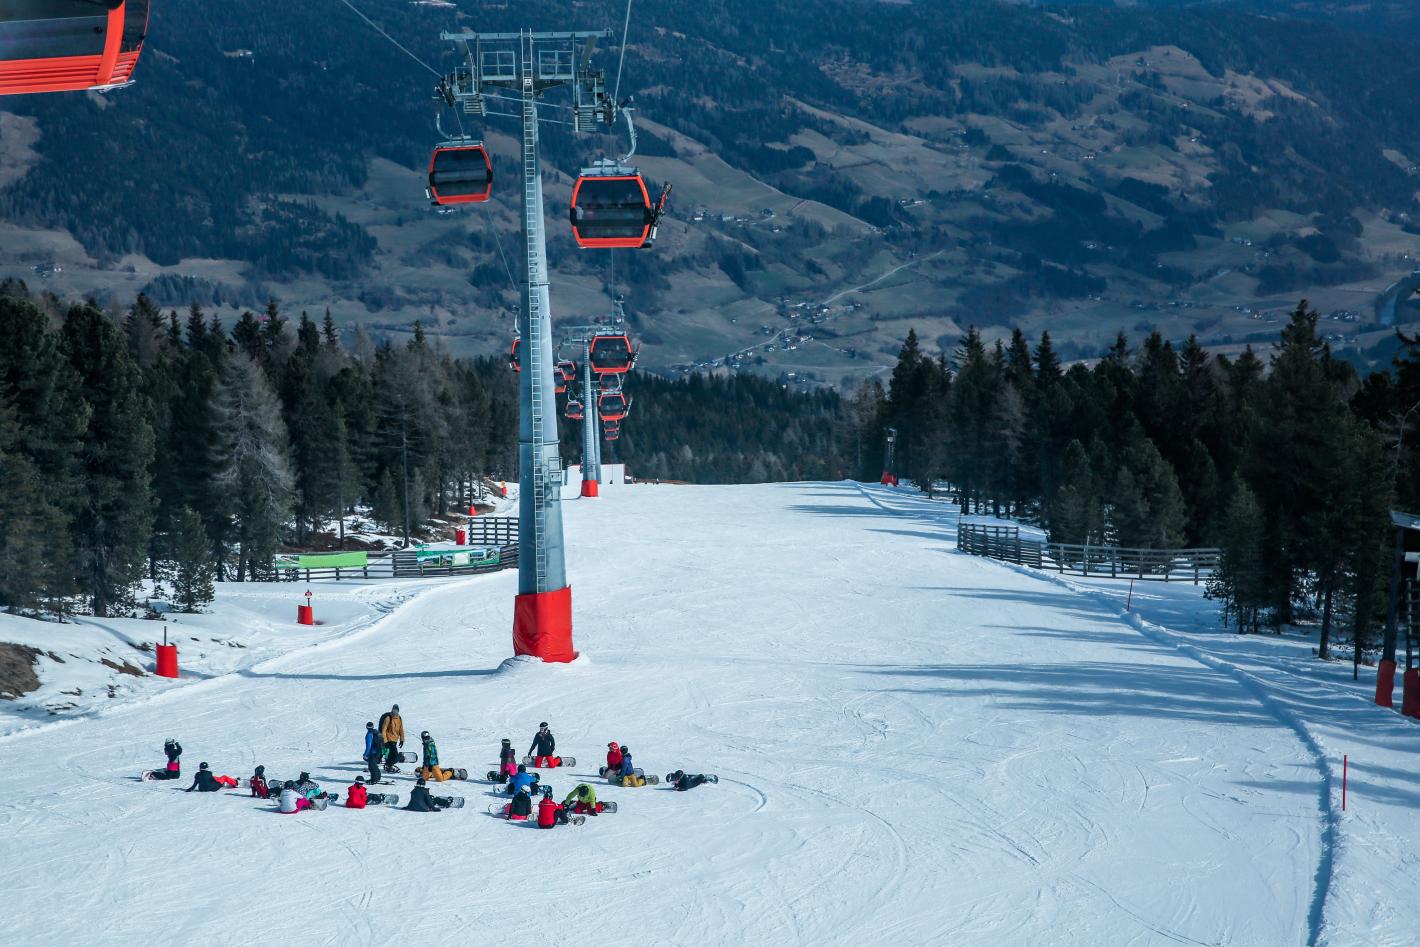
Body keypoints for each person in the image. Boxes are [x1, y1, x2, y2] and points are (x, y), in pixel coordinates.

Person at [378, 704, 404, 772]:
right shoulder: (388, 718)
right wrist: (385, 741)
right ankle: (388, 765)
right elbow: (383, 730)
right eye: (393, 710)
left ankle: (388, 765)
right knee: (395, 756)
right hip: (389, 740)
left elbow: (401, 729)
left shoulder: (399, 718)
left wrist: (402, 739)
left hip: (395, 739)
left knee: (391, 755)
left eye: (396, 711)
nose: (395, 712)